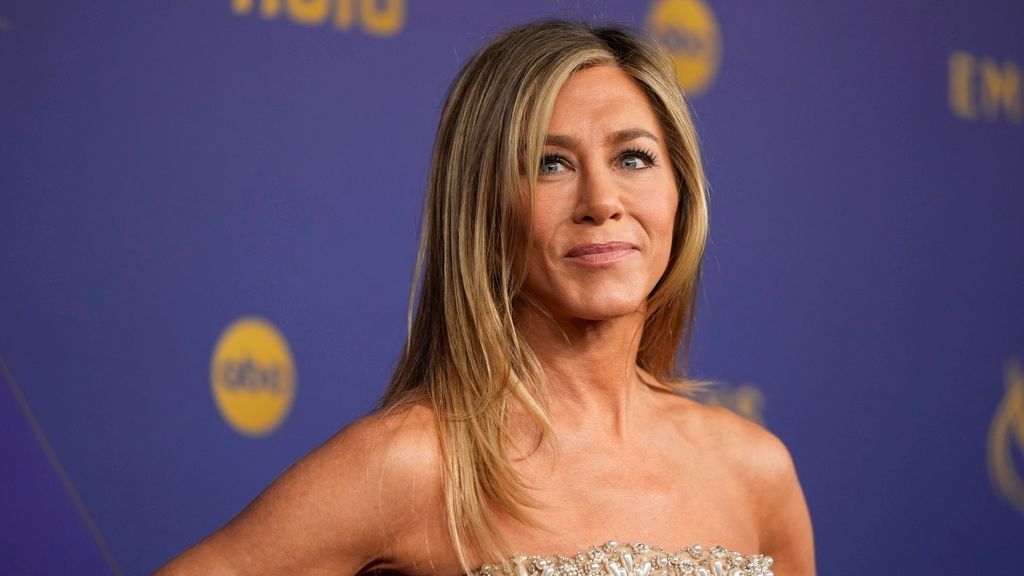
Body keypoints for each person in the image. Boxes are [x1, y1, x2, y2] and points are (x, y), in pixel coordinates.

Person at [157, 19, 815, 576]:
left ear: (680, 192)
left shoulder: (755, 471)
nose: (602, 201)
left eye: (633, 158)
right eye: (549, 164)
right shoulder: (416, 463)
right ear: (483, 208)